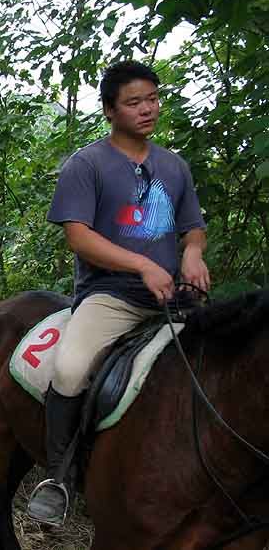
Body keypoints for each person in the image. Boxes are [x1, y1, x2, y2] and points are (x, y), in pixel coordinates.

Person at [26, 61, 210, 527]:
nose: (148, 108)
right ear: (110, 110)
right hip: (112, 296)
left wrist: (192, 254)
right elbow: (79, 237)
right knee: (68, 371)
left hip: (173, 297)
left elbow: (193, 228)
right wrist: (143, 263)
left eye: (152, 98)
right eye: (134, 102)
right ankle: (59, 480)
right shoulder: (87, 165)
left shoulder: (174, 165)